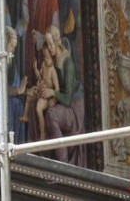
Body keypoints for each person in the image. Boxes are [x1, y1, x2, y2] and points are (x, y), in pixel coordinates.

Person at [41, 25, 85, 166]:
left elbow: (67, 99)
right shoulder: (54, 61)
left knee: (51, 114)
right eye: (47, 44)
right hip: (64, 103)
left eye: (50, 44)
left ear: (57, 42)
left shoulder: (68, 63)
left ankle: (63, 161)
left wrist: (53, 93)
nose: (49, 48)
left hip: (74, 110)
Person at [19, 36, 59, 140]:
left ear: (53, 58)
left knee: (38, 108)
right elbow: (39, 76)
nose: (45, 59)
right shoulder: (44, 65)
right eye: (44, 57)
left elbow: (57, 88)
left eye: (48, 57)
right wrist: (35, 68)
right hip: (39, 90)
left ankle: (42, 133)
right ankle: (25, 116)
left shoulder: (53, 71)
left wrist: (54, 98)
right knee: (29, 96)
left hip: (46, 96)